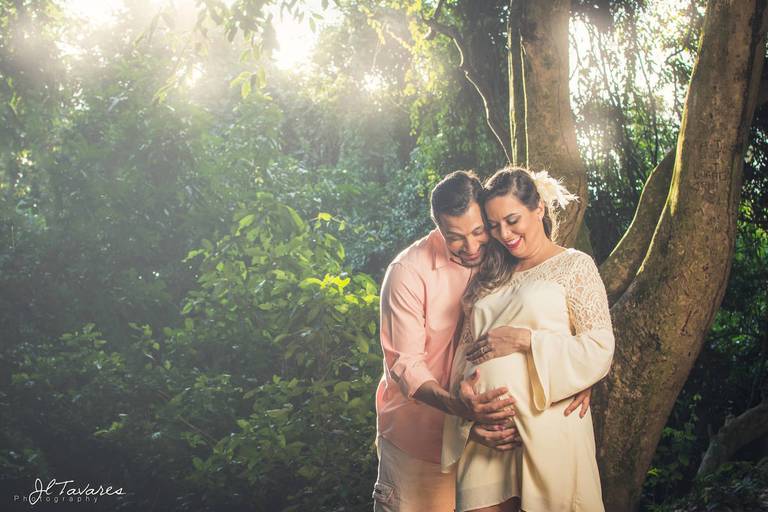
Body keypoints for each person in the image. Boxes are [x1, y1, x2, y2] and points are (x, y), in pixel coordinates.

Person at [373, 170, 592, 512]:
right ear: (438, 227)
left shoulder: (502, 256)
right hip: (421, 443)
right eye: (455, 237)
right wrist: (460, 411)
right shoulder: (408, 272)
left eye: (479, 231)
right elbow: (405, 365)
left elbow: (547, 311)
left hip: (481, 445)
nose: (471, 246)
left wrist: (575, 370)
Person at [442, 166, 615, 512]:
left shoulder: (574, 266)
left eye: (512, 220)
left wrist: (525, 341)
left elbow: (599, 347)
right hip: (487, 438)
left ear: (538, 209)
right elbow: (463, 356)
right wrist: (465, 415)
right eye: (494, 226)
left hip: (551, 429)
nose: (504, 234)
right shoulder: (487, 278)